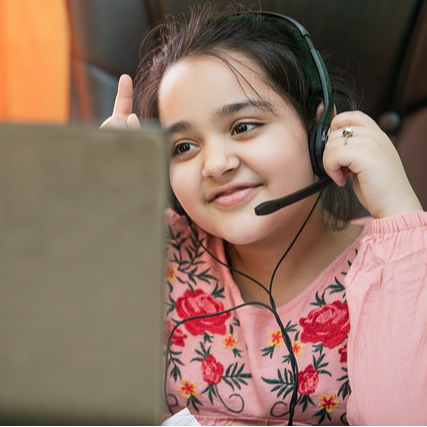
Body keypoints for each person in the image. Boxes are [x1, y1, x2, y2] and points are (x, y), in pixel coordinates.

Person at [102, 5, 427, 426]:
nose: (215, 164)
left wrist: (401, 220)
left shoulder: (401, 263)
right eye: (183, 147)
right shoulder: (153, 246)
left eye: (243, 126)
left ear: (320, 130)